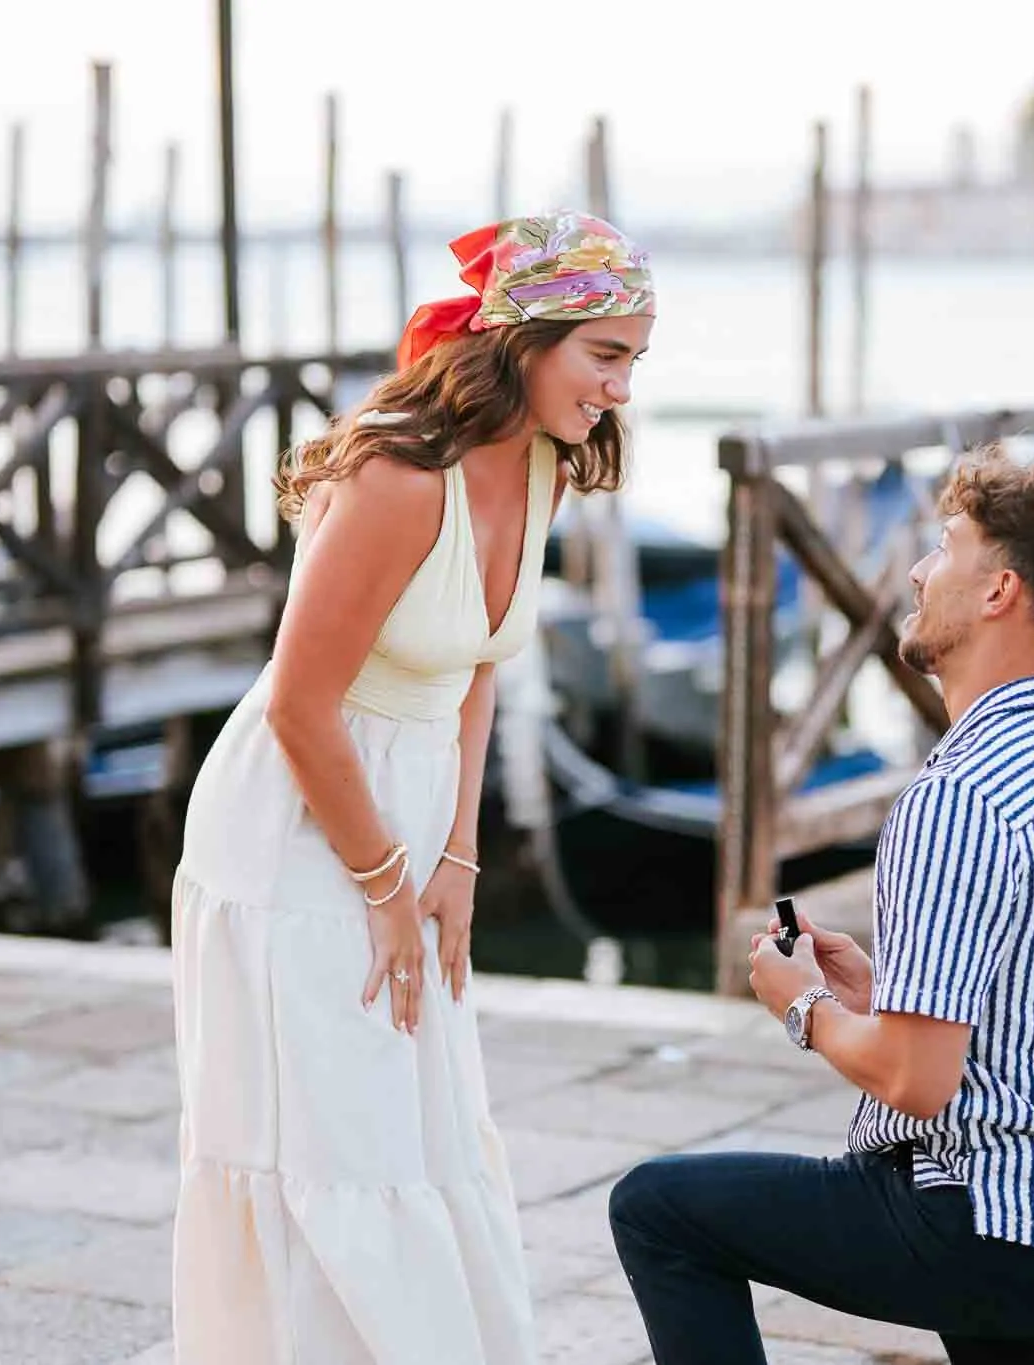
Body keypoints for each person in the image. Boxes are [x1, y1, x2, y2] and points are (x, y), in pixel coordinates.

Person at [168, 210, 655, 1363]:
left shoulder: (544, 462)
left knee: (418, 1133)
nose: (622, 391)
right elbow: (297, 703)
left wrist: (456, 860)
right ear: (525, 339)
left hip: (408, 807)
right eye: (606, 356)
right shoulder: (396, 474)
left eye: (634, 360)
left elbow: (477, 666)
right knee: (329, 1142)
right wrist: (384, 880)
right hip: (297, 826)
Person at [609, 445, 1034, 1364]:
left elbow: (917, 1083)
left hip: (1004, 1228)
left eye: (945, 545)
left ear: (998, 589)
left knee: (657, 1208)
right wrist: (886, 988)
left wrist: (802, 1005)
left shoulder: (958, 793)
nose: (918, 569)